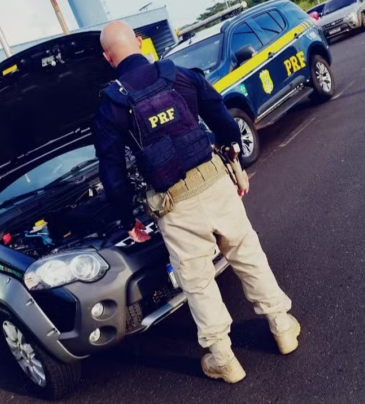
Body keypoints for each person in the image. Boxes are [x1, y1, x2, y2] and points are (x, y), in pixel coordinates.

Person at [92, 21, 300, 383]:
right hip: (214, 181)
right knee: (247, 254)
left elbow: (112, 173)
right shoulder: (181, 75)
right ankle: (282, 326)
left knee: (198, 281)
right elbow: (220, 115)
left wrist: (128, 219)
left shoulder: (111, 105)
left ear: (107, 58)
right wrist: (232, 156)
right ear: (140, 43)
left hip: (173, 204)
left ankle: (223, 357)